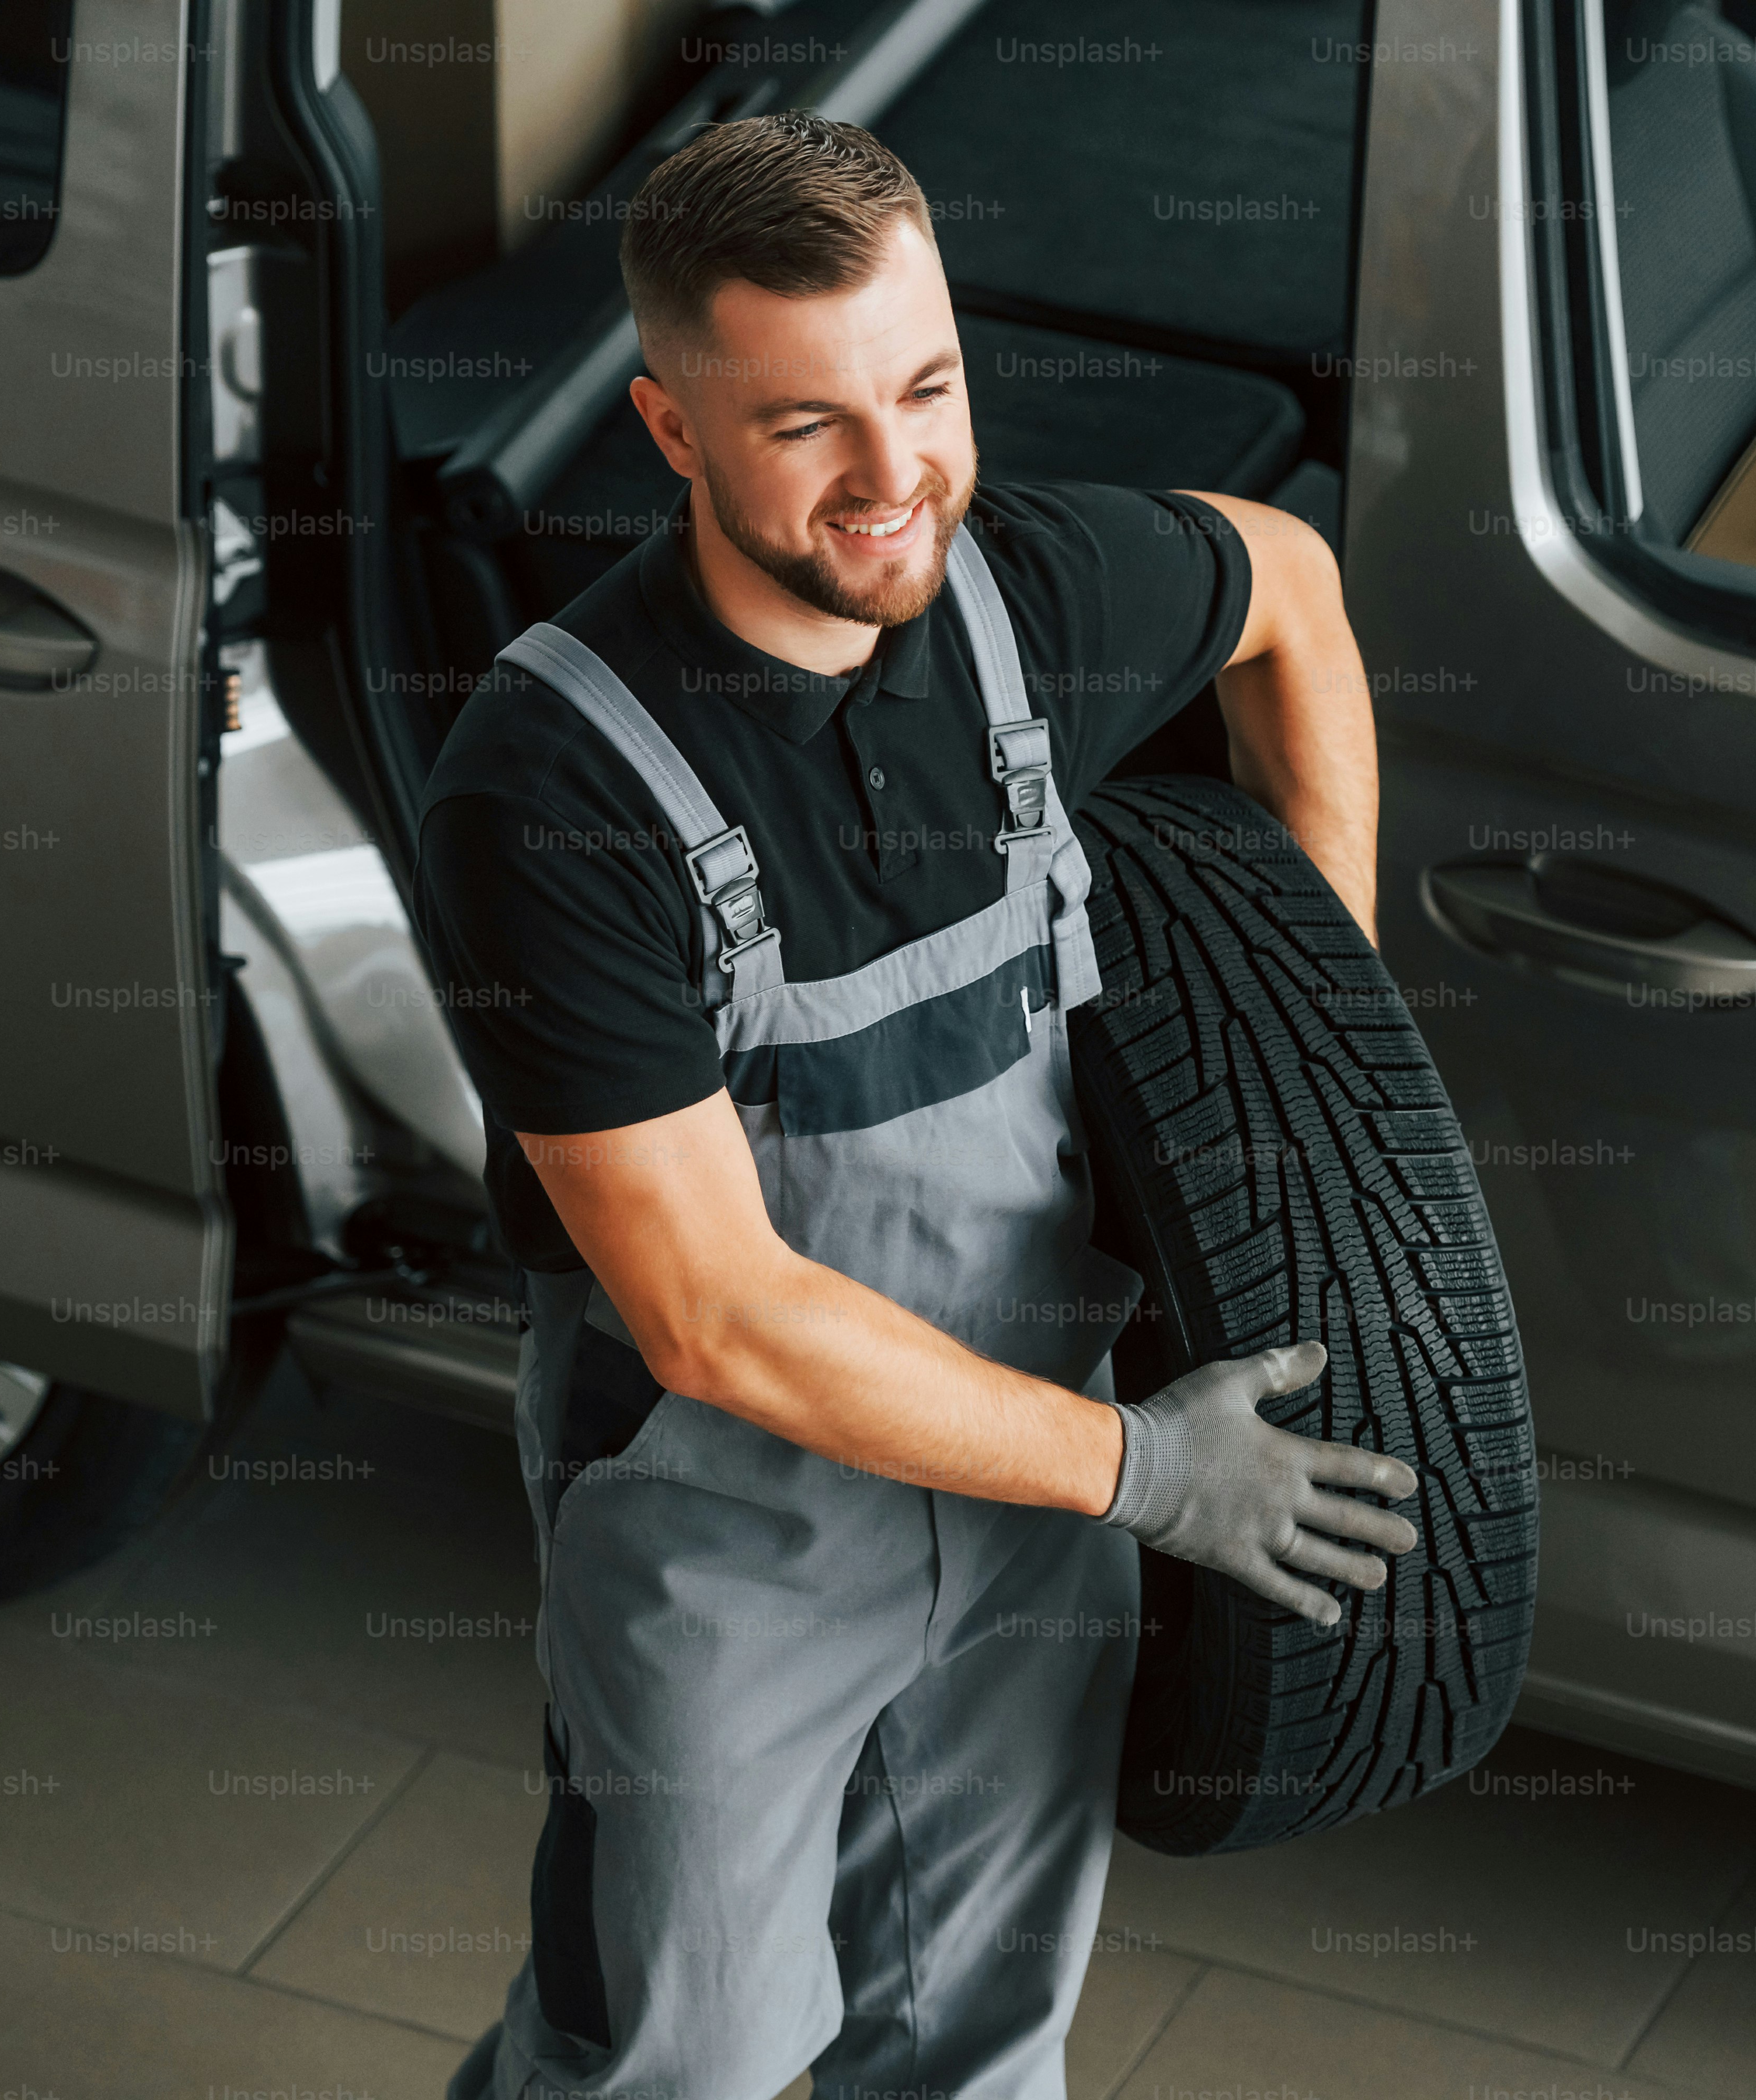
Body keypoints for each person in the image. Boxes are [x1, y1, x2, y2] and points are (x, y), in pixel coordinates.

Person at [416, 110, 1418, 2100]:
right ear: (673, 428)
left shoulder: (1023, 597)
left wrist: (1319, 1047)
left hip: (1046, 1490)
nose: (896, 479)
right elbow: (716, 1317)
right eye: (807, 427)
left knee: (979, 2036)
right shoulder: (554, 792)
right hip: (735, 1538)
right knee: (673, 2057)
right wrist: (1145, 1475)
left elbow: (1293, 595)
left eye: (931, 389)